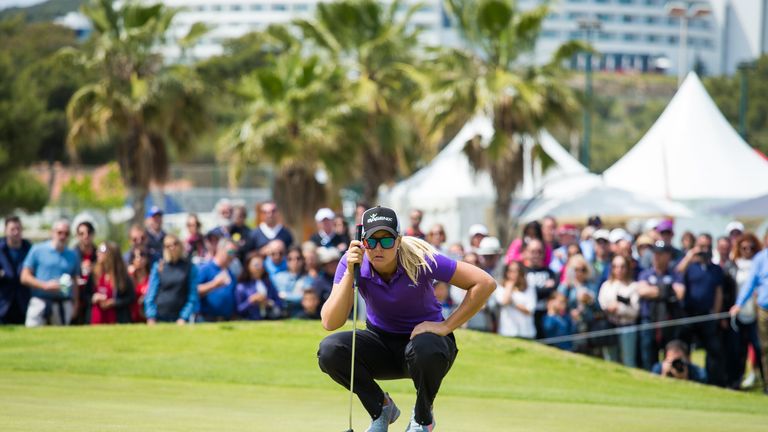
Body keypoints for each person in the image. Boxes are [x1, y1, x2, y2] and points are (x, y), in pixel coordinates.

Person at [317, 206, 495, 432]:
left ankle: (423, 417)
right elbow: (330, 322)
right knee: (330, 350)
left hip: (427, 347)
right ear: (363, 242)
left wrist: (446, 326)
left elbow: (484, 283)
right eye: (371, 241)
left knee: (426, 348)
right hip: (381, 345)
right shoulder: (353, 262)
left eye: (386, 240)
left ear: (398, 241)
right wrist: (351, 273)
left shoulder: (420, 259)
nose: (378, 248)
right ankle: (380, 408)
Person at [675, 233, 726, 386]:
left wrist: (715, 314)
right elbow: (678, 271)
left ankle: (712, 382)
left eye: (707, 247)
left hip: (706, 316)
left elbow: (718, 293)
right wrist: (690, 255)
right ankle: (685, 378)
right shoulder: (689, 266)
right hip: (688, 314)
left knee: (713, 350)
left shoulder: (716, 269)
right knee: (684, 348)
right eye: (701, 246)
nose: (705, 250)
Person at [724, 233, 764, 390]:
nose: (748, 250)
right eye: (744, 247)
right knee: (738, 350)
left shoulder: (760, 262)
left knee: (760, 349)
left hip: (757, 313)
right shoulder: (732, 265)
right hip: (738, 314)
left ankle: (764, 383)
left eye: (751, 247)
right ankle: (736, 382)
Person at [637, 240, 685, 370]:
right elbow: (642, 291)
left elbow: (680, 293)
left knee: (670, 355)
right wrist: (666, 290)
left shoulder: (674, 274)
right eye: (655, 253)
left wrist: (655, 290)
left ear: (668, 256)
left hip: (669, 320)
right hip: (649, 319)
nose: (657, 256)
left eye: (661, 254)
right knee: (648, 355)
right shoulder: (646, 274)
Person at [20, 220, 79, 327]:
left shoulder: (72, 255)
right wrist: (45, 285)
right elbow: (24, 277)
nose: (63, 236)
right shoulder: (37, 250)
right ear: (52, 232)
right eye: (59, 232)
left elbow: (74, 281)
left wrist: (75, 303)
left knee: (62, 336)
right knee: (32, 334)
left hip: (62, 303)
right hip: (40, 302)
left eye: (66, 233)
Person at [144, 234, 198, 325]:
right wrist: (151, 316)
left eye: (175, 244)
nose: (172, 248)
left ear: (180, 245)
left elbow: (192, 296)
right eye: (168, 246)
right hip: (159, 317)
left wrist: (183, 317)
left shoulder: (189, 267)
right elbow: (150, 294)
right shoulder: (159, 266)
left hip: (180, 319)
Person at [598, 255, 640, 367]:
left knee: (628, 361)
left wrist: (619, 308)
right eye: (615, 266)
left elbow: (635, 311)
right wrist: (609, 308)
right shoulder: (606, 285)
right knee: (610, 361)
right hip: (609, 326)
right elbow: (601, 304)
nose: (619, 270)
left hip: (627, 327)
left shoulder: (633, 286)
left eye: (622, 266)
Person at [83, 242, 135, 324]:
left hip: (117, 319)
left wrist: (114, 302)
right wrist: (94, 298)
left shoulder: (122, 276)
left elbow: (131, 297)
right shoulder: (94, 274)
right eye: (98, 250)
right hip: (96, 319)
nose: (98, 253)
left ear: (111, 254)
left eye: (102, 250)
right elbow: (85, 295)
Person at [522, 239, 557, 339]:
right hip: (527, 315)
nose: (536, 255)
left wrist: (534, 290)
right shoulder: (521, 272)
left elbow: (553, 292)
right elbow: (524, 293)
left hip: (545, 316)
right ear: (526, 252)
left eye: (539, 251)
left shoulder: (550, 272)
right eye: (533, 251)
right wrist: (544, 289)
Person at [196, 239, 238, 321]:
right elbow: (194, 291)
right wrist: (214, 284)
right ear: (220, 250)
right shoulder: (205, 269)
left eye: (235, 253)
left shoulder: (231, 274)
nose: (233, 256)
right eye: (230, 252)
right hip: (206, 319)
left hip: (226, 320)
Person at [0, 216, 32, 324]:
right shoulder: (1, 249)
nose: (16, 232)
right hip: (3, 302)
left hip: (23, 302)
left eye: (18, 229)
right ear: (5, 231)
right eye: (12, 229)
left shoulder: (29, 249)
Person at [495, 261, 536, 339]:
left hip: (526, 332)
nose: (514, 274)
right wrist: (509, 286)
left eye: (517, 271)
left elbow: (530, 310)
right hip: (507, 331)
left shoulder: (529, 288)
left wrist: (513, 303)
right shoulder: (501, 287)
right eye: (510, 271)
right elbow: (504, 302)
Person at [236, 253, 283, 320]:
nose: (260, 268)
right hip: (250, 320)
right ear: (248, 266)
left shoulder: (268, 284)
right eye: (256, 265)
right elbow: (239, 310)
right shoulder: (241, 287)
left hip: (269, 319)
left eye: (262, 265)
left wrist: (268, 302)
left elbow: (279, 303)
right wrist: (251, 301)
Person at [272, 246, 314, 314]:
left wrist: (285, 296)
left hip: (301, 312)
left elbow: (305, 298)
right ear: (286, 261)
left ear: (303, 260)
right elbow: (275, 297)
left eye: (298, 258)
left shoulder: (308, 279)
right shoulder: (278, 277)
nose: (295, 261)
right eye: (290, 259)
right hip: (280, 312)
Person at [72, 221, 97, 324]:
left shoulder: (99, 254)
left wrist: (94, 268)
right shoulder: (72, 255)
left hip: (92, 299)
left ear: (93, 234)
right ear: (77, 236)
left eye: (88, 232)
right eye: (81, 233)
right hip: (75, 298)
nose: (86, 236)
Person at [128, 247, 151, 323]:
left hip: (147, 316)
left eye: (142, 256)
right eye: (136, 257)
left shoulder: (151, 278)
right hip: (131, 316)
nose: (139, 259)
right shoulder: (129, 277)